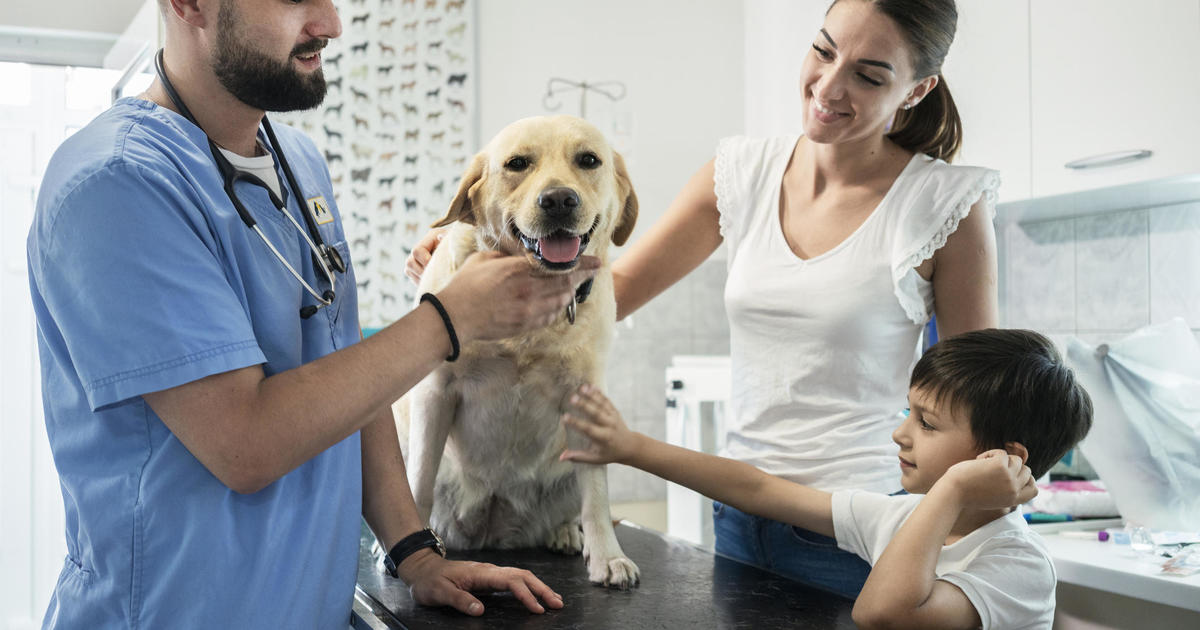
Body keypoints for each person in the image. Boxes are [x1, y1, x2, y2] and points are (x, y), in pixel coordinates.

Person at [27, 0, 597, 627]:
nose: (330, 24)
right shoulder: (119, 183)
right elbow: (243, 444)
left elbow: (351, 375)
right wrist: (448, 319)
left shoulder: (298, 163)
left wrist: (414, 552)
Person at [407, 0, 997, 598]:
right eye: (823, 50)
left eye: (869, 75)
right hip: (738, 515)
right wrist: (464, 248)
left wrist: (970, 539)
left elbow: (978, 406)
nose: (829, 85)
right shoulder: (745, 171)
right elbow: (614, 286)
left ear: (917, 90)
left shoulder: (943, 205)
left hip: (864, 529)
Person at [560, 328, 1094, 628]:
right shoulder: (902, 514)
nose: (899, 434)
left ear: (1003, 457)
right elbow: (759, 489)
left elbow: (883, 613)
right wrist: (630, 448)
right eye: (908, 413)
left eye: (926, 423)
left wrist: (953, 488)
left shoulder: (1017, 565)